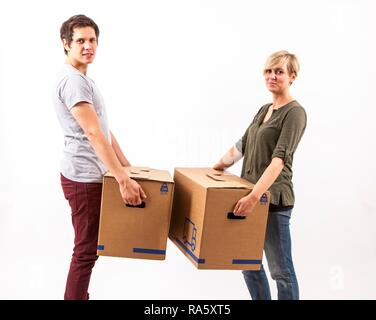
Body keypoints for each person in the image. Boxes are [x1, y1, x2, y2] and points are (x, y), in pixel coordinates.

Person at [54, 14, 146, 300]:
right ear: (66, 44)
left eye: (92, 40)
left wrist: (127, 166)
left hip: (88, 174)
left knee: (88, 249)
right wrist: (122, 179)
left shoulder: (81, 79)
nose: (88, 46)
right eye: (80, 40)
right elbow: (94, 134)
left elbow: (103, 128)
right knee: (85, 251)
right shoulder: (74, 82)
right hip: (84, 178)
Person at [213, 51, 307, 300]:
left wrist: (255, 197)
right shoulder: (264, 109)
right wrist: (215, 169)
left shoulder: (295, 113)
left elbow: (279, 160)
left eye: (279, 72)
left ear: (292, 77)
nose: (272, 76)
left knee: (281, 271)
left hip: (273, 200)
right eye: (268, 71)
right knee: (247, 263)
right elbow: (243, 145)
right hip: (248, 196)